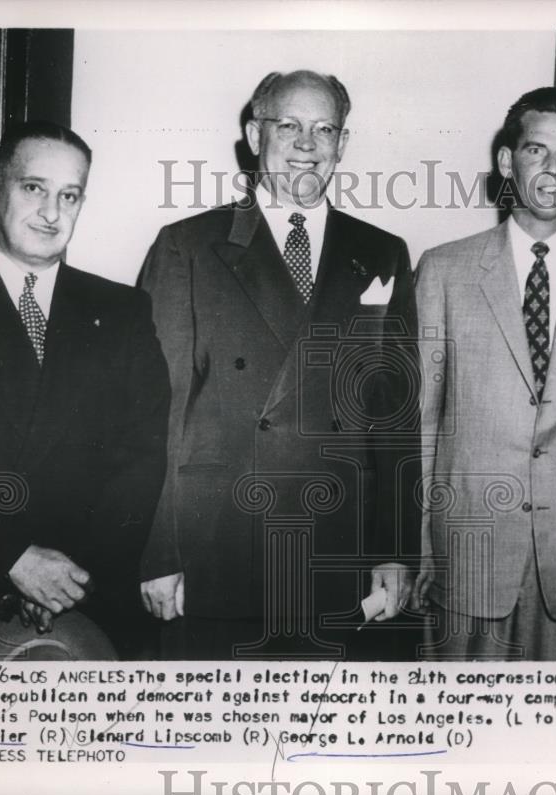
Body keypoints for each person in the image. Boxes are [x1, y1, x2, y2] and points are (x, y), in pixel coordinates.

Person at [138, 70, 420, 660]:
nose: (306, 144)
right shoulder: (187, 246)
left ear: (343, 143)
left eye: (325, 129)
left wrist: (396, 550)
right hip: (218, 548)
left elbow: (395, 419)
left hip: (337, 550)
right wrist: (158, 553)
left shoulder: (382, 252)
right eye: (288, 125)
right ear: (254, 135)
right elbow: (154, 413)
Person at [0, 120, 170, 660]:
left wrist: (69, 579)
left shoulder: (123, 312)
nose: (52, 212)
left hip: (89, 598)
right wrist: (11, 559)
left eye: (69, 195)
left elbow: (142, 457)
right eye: (34, 188)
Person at [411, 87, 556, 660]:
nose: (553, 169)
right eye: (537, 150)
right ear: (508, 162)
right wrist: (416, 544)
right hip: (467, 548)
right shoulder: (444, 270)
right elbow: (421, 422)